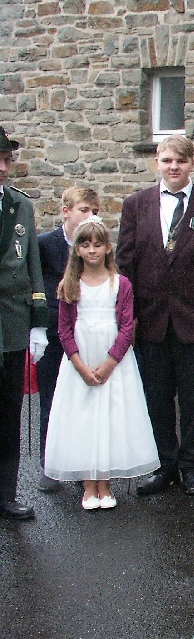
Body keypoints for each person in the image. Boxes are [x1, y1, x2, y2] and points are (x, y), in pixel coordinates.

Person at [116, 135, 194, 498]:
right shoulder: (136, 205)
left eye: (180, 161)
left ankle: (189, 467)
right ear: (157, 162)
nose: (173, 167)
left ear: (192, 163)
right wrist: (125, 318)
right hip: (150, 320)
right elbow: (125, 264)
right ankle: (164, 465)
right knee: (157, 397)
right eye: (167, 160)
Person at [44, 217, 160, 510]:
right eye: (85, 245)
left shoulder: (120, 284)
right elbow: (64, 329)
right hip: (81, 360)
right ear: (78, 250)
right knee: (83, 419)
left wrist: (110, 362)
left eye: (98, 244)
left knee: (110, 417)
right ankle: (88, 485)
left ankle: (105, 483)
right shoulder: (70, 284)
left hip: (113, 361)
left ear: (108, 248)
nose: (92, 250)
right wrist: (80, 366)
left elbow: (125, 326)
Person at [35, 185, 100, 493]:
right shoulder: (45, 245)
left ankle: (81, 461)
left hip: (87, 333)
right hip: (53, 332)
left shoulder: (96, 246)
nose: (90, 216)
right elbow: (39, 286)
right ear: (66, 211)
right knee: (52, 398)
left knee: (83, 399)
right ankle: (50, 461)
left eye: (95, 211)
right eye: (84, 210)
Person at [0, 126, 47, 521]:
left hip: (13, 323)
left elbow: (32, 264)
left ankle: (6, 494)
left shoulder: (20, 205)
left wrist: (37, 321)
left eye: (7, 160)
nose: (2, 168)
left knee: (8, 413)